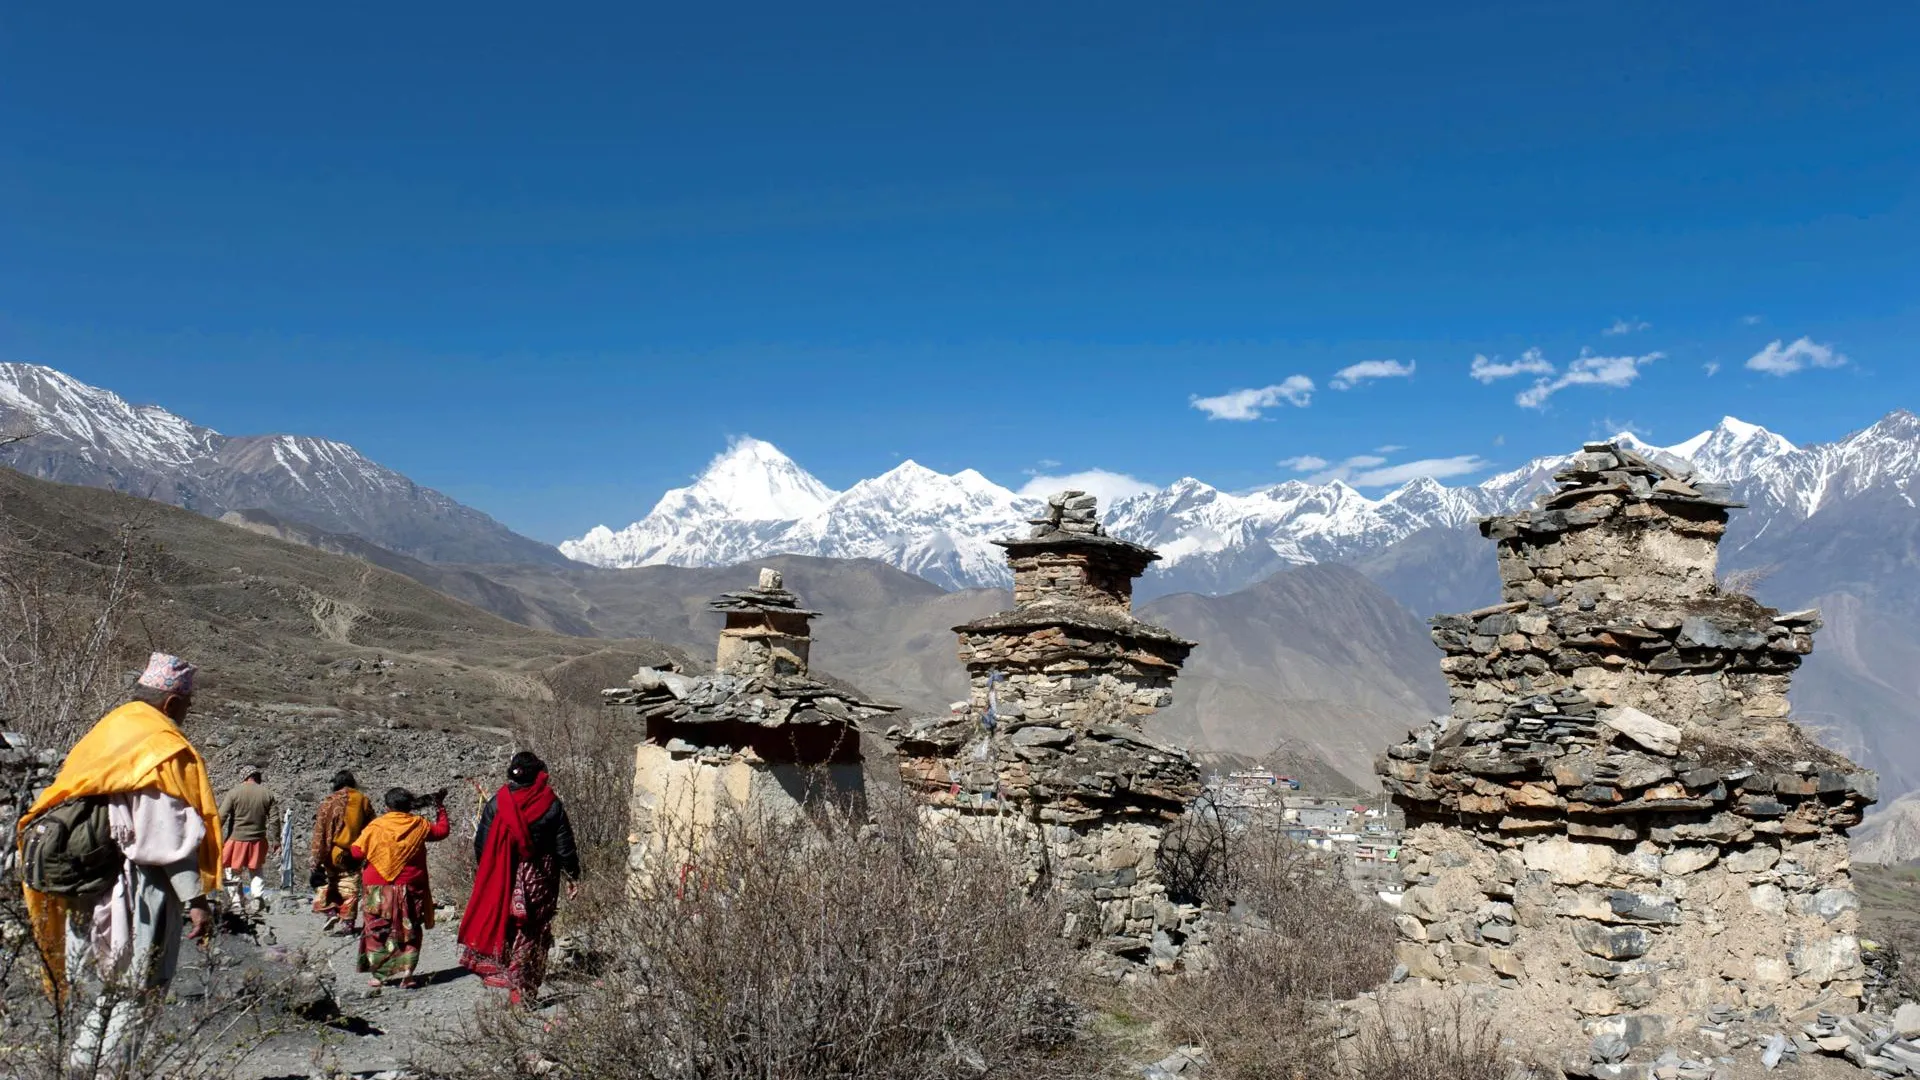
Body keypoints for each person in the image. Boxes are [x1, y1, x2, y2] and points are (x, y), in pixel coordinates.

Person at [17, 652, 222, 1070]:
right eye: (186, 703)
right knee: (136, 988)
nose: (187, 712)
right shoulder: (161, 747)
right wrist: (196, 900)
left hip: (83, 885)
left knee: (100, 989)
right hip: (136, 892)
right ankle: (107, 1071)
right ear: (170, 702)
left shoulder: (108, 732)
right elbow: (165, 837)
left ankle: (78, 1065)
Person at [458, 752, 581, 1005]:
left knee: (507, 925)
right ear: (537, 774)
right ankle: (523, 991)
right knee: (534, 930)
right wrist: (572, 874)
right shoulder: (551, 802)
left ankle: (507, 976)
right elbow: (564, 844)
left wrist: (489, 872)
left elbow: (482, 844)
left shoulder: (497, 803)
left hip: (504, 874)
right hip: (540, 876)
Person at [349, 787, 448, 989]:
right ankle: (407, 974)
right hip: (410, 886)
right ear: (408, 806)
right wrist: (440, 807)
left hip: (378, 887)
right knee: (409, 928)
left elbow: (357, 853)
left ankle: (379, 976)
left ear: (387, 807)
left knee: (377, 928)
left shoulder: (376, 826)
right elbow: (442, 831)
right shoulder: (419, 825)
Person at [310, 770, 375, 934]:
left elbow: (321, 830)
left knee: (327, 883)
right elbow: (371, 826)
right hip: (354, 852)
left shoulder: (330, 801)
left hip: (332, 852)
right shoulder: (363, 800)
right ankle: (348, 924)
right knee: (350, 887)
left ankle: (330, 910)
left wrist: (316, 857)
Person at [217, 765, 278, 915]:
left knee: (232, 869)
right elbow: (275, 820)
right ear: (256, 777)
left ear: (244, 777)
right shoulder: (267, 794)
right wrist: (276, 840)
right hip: (258, 839)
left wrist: (213, 835)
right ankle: (257, 897)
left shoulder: (234, 793)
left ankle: (237, 901)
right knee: (256, 870)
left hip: (236, 838)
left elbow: (222, 816)